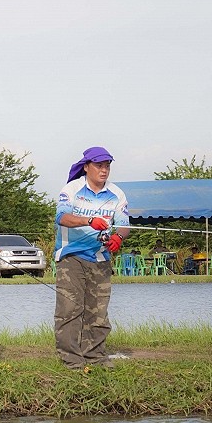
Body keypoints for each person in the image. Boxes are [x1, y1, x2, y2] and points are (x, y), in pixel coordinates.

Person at [53, 147, 129, 370]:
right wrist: (89, 221)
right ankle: (71, 360)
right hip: (71, 256)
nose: (104, 170)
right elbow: (62, 217)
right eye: (99, 165)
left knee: (98, 311)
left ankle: (95, 356)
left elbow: (124, 225)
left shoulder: (117, 194)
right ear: (86, 167)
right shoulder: (72, 190)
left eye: (107, 165)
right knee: (69, 309)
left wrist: (118, 238)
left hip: (101, 258)